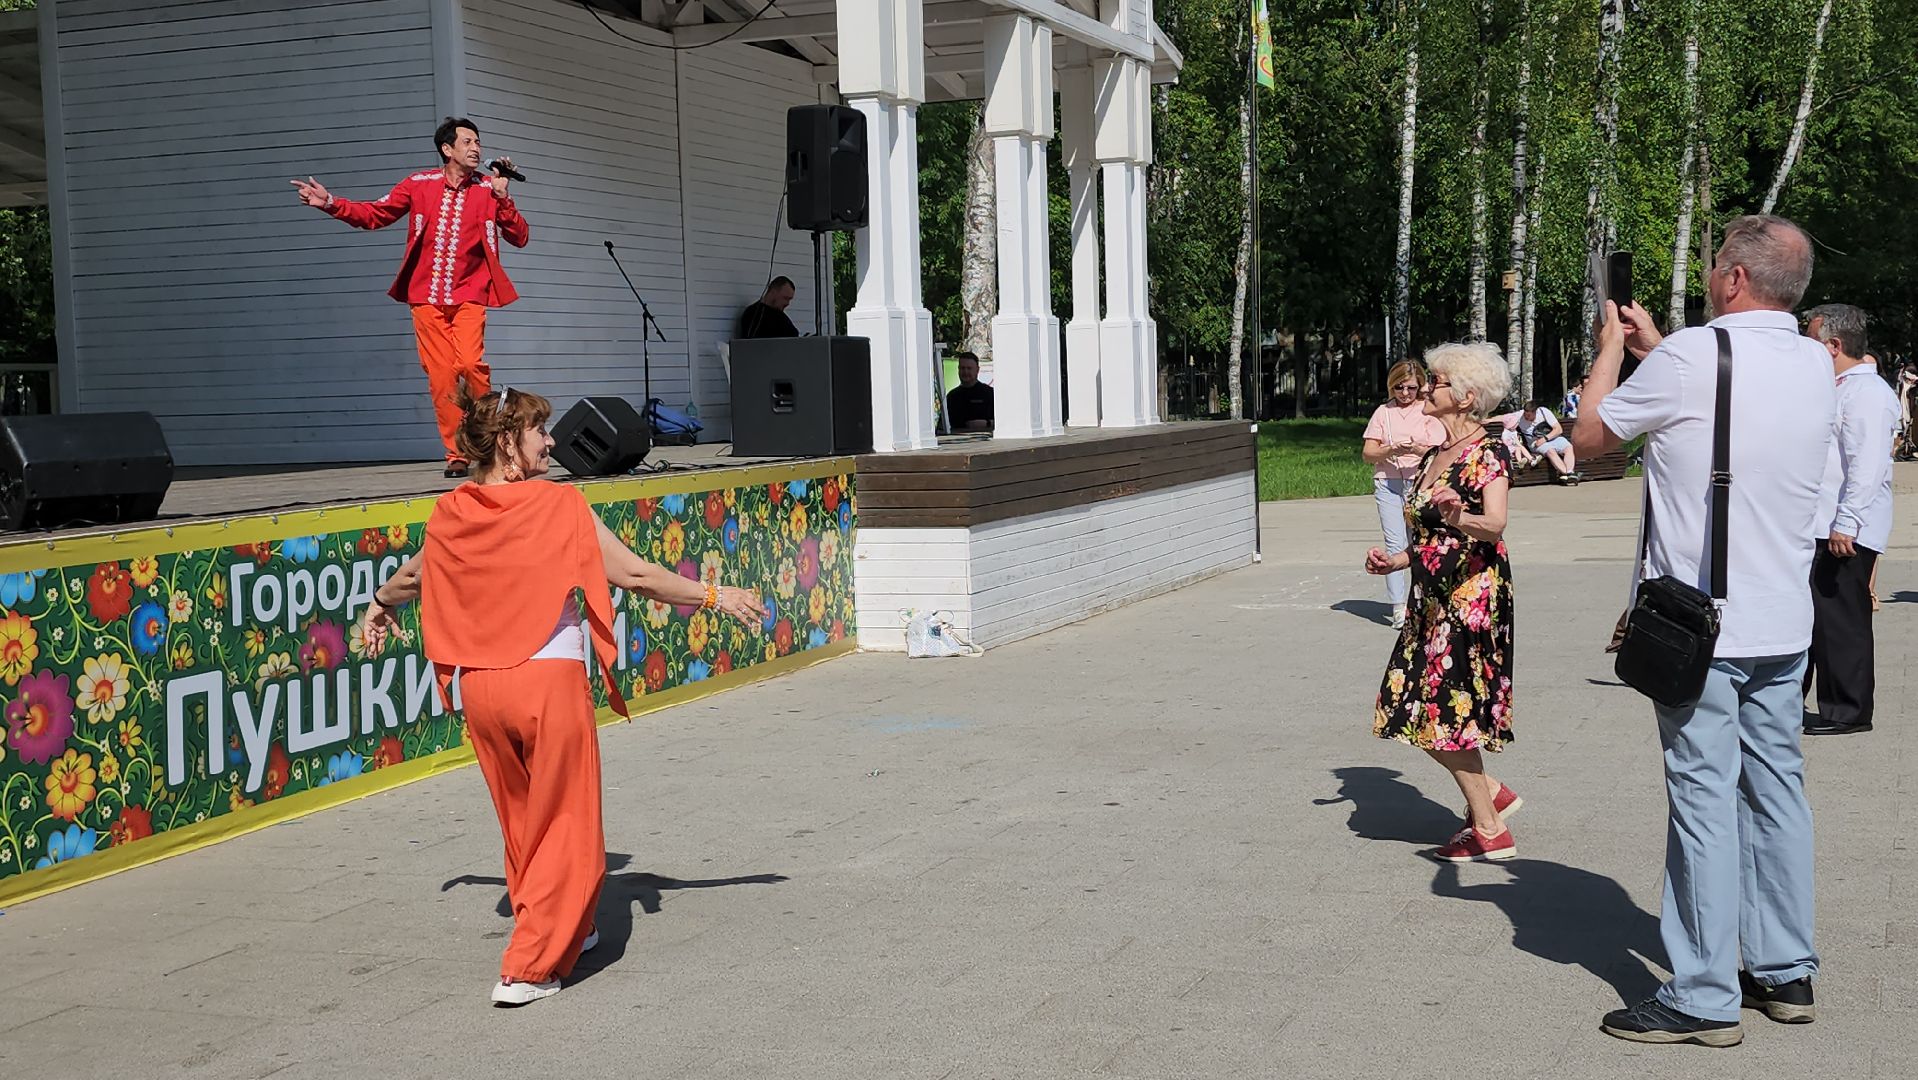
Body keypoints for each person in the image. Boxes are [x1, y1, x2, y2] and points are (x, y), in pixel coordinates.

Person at [361, 386, 766, 1007]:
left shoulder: (452, 511)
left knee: (525, 822)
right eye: (538, 431)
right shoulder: (558, 505)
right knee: (566, 824)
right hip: (544, 683)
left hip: (482, 690)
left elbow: (414, 574)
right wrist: (719, 596)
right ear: (506, 443)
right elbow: (633, 574)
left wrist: (378, 607)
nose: (551, 441)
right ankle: (529, 967)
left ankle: (569, 927)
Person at [1574, 214, 1832, 1047]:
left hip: (1700, 626)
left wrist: (1613, 347)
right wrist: (1664, 347)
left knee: (1702, 801)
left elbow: (1589, 441)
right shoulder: (1815, 363)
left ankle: (1704, 994)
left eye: (1718, 263)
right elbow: (1725, 407)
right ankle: (1785, 970)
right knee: (1777, 792)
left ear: (1733, 279)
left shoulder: (1693, 357)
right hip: (1783, 620)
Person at [293, 117, 530, 478]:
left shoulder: (487, 188)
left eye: (478, 142)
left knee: (470, 365)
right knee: (441, 376)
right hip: (426, 298)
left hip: (469, 295)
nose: (476, 148)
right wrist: (331, 203)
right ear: (447, 149)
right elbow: (375, 214)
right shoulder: (419, 184)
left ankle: (487, 441)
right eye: (467, 142)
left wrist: (503, 196)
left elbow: (520, 236)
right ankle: (456, 454)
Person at [1364, 342, 1521, 864]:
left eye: (1438, 381)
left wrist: (1458, 515)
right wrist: (1398, 561)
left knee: (1442, 712)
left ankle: (1490, 828)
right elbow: (1433, 536)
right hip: (1430, 597)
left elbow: (1494, 525)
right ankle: (1491, 794)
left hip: (1470, 600)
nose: (1428, 388)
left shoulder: (1487, 452)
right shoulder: (1435, 455)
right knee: (1404, 703)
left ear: (1467, 396)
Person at [1801, 303, 1897, 736]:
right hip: (1821, 523)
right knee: (1816, 619)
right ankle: (1802, 702)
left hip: (1843, 528)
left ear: (1834, 345)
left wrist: (1848, 521)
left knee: (1841, 622)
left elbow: (1868, 465)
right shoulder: (1836, 389)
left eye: (1811, 340)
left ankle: (1848, 709)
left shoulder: (1868, 394)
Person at [1361, 361, 1447, 629]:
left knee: (1421, 541)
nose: (1405, 393)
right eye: (1399, 387)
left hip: (1420, 482)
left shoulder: (1429, 410)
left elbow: (1442, 448)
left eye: (1411, 387)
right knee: (1395, 541)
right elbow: (1368, 453)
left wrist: (1422, 451)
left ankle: (1424, 599)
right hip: (1388, 481)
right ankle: (1399, 606)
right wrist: (1391, 449)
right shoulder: (1383, 412)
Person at [1514, 400, 1579, 482]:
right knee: (1550, 451)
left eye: (1529, 415)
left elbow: (1558, 429)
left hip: (1552, 438)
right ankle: (1567, 474)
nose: (1526, 417)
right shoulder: (1519, 415)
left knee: (1568, 447)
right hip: (1536, 443)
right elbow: (1503, 417)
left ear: (1535, 412)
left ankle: (1569, 472)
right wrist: (1492, 420)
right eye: (1525, 414)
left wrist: (1545, 439)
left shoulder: (1543, 411)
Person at [945, 352, 994, 433]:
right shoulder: (952, 396)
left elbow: (1004, 422)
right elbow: (942, 426)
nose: (965, 372)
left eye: (969, 368)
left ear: (977, 370)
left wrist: (987, 423)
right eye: (962, 368)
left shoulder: (989, 393)